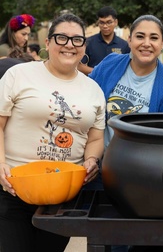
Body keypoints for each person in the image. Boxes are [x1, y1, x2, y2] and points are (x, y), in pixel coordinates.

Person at [0, 13, 106, 252]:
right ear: (47, 43)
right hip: (13, 190)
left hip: (62, 197)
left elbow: (96, 137)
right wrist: (0, 163)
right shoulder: (19, 75)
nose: (69, 44)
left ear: (84, 47)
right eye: (61, 38)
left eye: (77, 39)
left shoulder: (94, 90)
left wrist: (91, 159)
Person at [90, 14, 163, 148]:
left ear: (162, 44)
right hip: (99, 160)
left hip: (143, 165)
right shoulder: (109, 64)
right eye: (140, 36)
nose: (146, 44)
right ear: (129, 40)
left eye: (154, 38)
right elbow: (85, 98)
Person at [78, 6, 130, 75]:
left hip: (115, 84)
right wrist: (100, 72)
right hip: (93, 83)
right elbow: (79, 66)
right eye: (102, 22)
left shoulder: (124, 45)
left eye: (109, 22)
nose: (105, 26)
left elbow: (128, 68)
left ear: (116, 22)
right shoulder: (88, 43)